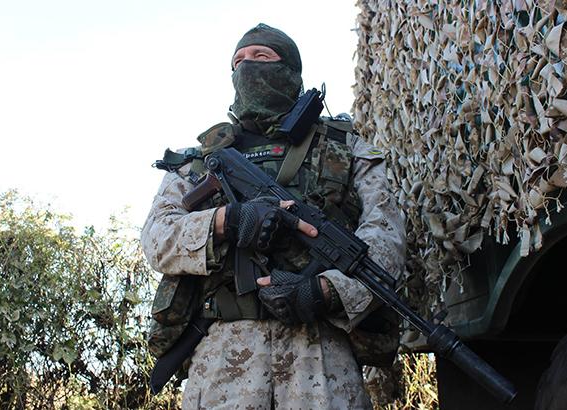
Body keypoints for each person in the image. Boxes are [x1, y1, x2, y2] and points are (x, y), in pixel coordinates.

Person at [141, 23, 406, 409]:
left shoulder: (346, 149)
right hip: (222, 355)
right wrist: (229, 220)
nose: (247, 67)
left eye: (261, 56)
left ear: (291, 70)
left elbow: (387, 239)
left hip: (319, 354)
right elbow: (157, 238)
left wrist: (324, 291)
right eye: (238, 62)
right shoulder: (198, 161)